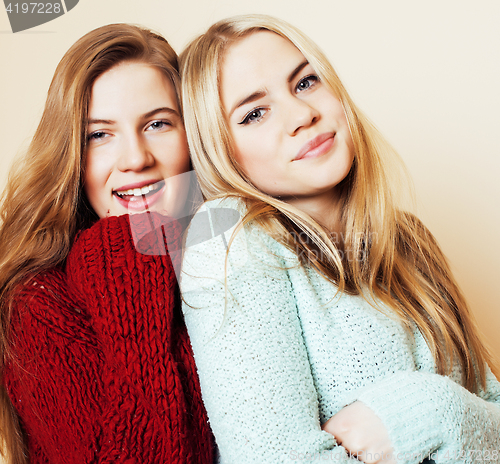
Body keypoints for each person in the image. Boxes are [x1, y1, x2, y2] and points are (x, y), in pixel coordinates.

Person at [179, 14, 500, 464]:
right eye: (254, 113)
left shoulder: (408, 241)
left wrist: (435, 411)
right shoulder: (229, 237)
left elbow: (491, 407)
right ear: (221, 150)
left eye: (306, 82)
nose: (302, 115)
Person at [0, 24, 214, 464]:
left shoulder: (233, 253)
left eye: (157, 124)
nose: (136, 158)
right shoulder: (36, 304)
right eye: (99, 135)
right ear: (71, 157)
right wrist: (129, 255)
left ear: (194, 136)